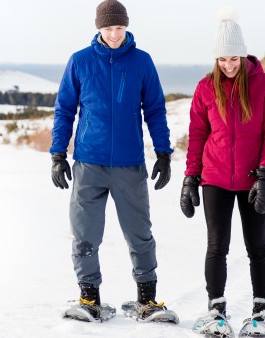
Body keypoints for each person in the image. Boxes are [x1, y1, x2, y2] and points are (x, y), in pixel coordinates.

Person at [51, 0, 174, 323]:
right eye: (108, 28)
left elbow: (156, 110)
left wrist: (163, 153)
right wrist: (57, 153)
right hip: (88, 162)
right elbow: (64, 110)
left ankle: (147, 299)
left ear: (127, 26)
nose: (115, 34)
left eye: (119, 28)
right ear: (99, 29)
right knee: (85, 233)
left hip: (129, 164)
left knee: (139, 234)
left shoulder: (142, 62)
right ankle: (89, 297)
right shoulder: (80, 62)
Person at [181, 11, 265, 337]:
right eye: (222, 59)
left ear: (243, 55)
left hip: (254, 179)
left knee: (257, 247)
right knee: (217, 246)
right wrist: (190, 178)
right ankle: (216, 311)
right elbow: (198, 134)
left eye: (234, 58)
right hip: (215, 178)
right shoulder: (205, 88)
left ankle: (261, 312)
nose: (228, 65)